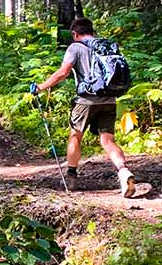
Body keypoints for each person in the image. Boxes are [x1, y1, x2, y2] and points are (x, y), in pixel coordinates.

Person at [31, 17, 137, 197]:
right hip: (109, 99)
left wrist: (41, 87)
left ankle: (71, 176)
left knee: (75, 136)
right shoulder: (104, 47)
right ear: (92, 32)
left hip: (86, 101)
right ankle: (123, 170)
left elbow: (63, 72)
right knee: (108, 141)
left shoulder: (75, 47)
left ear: (75, 34)